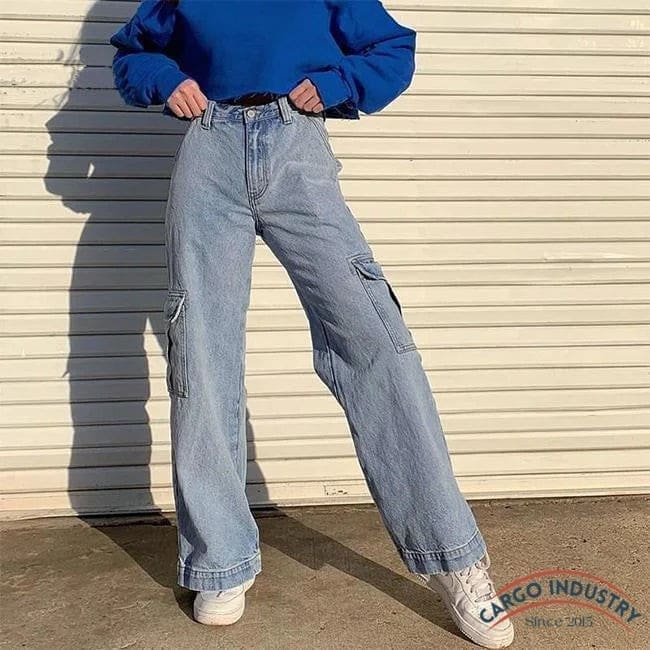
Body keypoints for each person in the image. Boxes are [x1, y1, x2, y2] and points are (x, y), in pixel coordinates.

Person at [109, 1, 514, 647]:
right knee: (201, 354)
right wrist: (166, 79)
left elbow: (391, 48)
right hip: (209, 148)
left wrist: (335, 84)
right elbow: (133, 53)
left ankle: (452, 556)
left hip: (295, 143)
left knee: (375, 342)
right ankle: (220, 559)